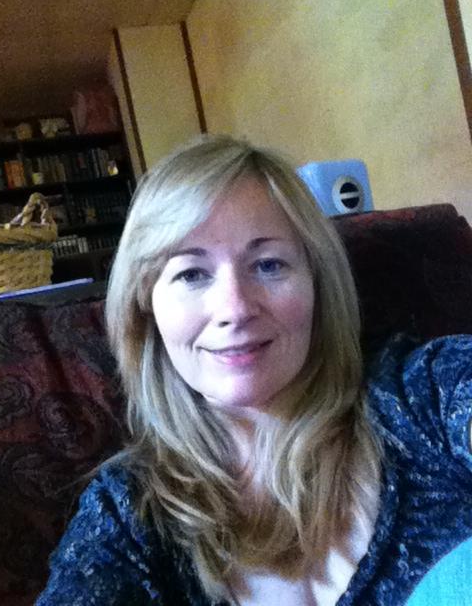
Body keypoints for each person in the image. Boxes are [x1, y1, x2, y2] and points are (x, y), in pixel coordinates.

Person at [36, 134, 472, 605]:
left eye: (268, 265)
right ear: (145, 307)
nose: (235, 308)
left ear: (317, 283)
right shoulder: (127, 513)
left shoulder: (423, 398)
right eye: (191, 274)